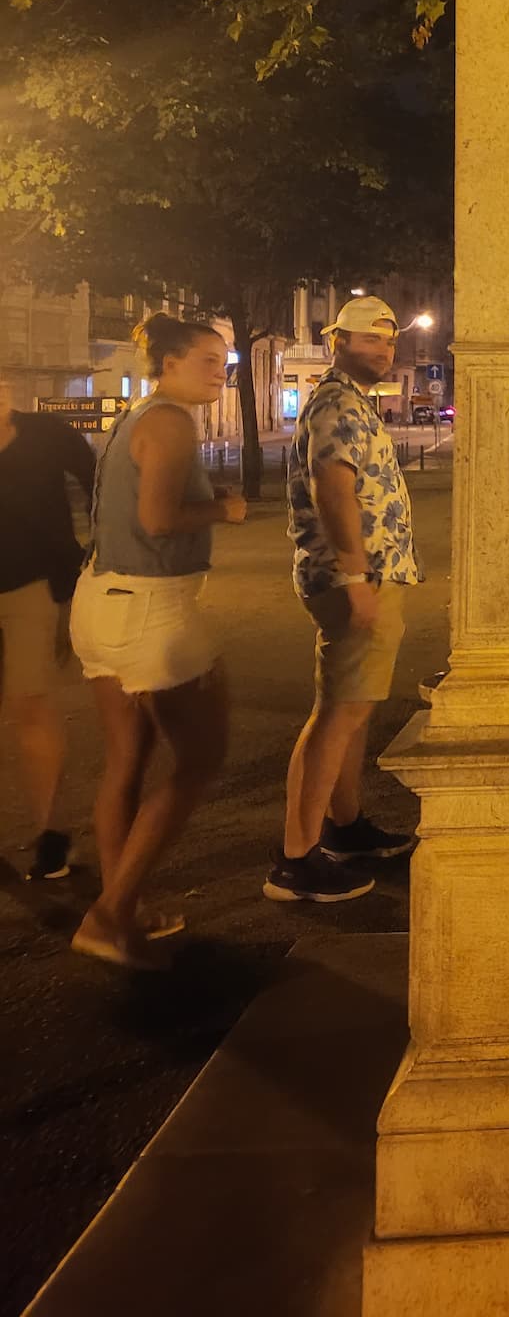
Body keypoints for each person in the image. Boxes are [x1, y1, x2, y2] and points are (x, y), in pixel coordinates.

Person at [69, 315, 246, 969]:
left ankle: (126, 907)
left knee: (126, 762)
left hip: (100, 598)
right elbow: (158, 518)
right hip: (152, 607)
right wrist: (223, 510)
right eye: (206, 359)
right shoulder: (171, 421)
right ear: (168, 363)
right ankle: (111, 915)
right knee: (200, 759)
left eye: (223, 360)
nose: (219, 372)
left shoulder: (135, 417)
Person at [265, 295, 421, 903]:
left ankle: (346, 828)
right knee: (337, 715)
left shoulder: (351, 402)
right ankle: (296, 860)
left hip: (366, 578)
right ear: (338, 343)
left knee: (350, 709)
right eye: (370, 341)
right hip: (356, 581)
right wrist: (356, 577)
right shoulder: (335, 404)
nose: (383, 351)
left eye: (388, 342)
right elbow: (335, 489)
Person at [0, 372, 97, 881]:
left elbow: (96, 481)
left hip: (31, 586)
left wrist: (96, 552)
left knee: (31, 703)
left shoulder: (45, 434)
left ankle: (51, 831)